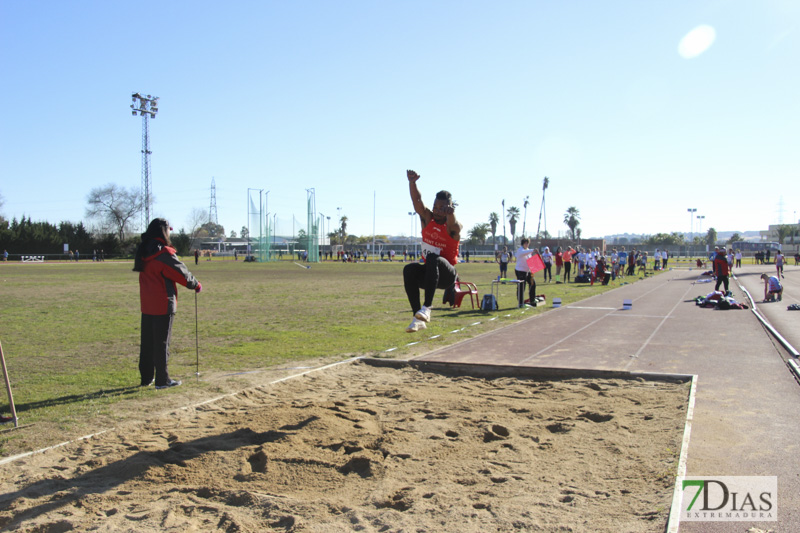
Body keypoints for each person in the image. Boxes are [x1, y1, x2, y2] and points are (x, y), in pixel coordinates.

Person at [133, 218, 202, 389]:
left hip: (147, 304)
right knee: (162, 343)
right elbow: (181, 272)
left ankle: (147, 378)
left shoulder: (144, 251)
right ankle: (162, 380)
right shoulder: (163, 254)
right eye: (169, 230)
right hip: (163, 304)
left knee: (148, 343)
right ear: (164, 232)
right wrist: (195, 284)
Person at [403, 170, 461, 333]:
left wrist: (451, 214)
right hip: (430, 275)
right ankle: (417, 318)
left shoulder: (453, 227)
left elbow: (455, 224)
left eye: (441, 208)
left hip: (447, 276)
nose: (436, 210)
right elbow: (418, 201)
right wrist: (412, 183)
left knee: (434, 258)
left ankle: (427, 307)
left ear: (449, 208)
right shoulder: (428, 219)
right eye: (435, 206)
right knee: (409, 269)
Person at [513, 238, 538, 307]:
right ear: (522, 244)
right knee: (522, 286)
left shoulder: (528, 251)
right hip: (520, 271)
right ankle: (520, 303)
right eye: (525, 243)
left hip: (527, 271)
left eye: (527, 243)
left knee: (533, 283)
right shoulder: (520, 250)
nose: (526, 244)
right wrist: (533, 250)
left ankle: (532, 299)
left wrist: (533, 269)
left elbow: (530, 260)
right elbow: (523, 253)